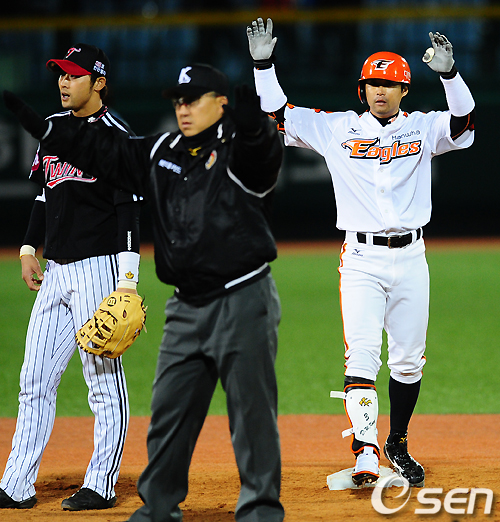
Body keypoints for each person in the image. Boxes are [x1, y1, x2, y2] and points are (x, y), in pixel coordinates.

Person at [3, 62, 285, 521]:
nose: (183, 108)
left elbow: (262, 162)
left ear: (221, 104)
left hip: (242, 296)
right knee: (169, 416)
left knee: (250, 417)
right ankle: (157, 509)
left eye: (193, 99)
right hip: (185, 306)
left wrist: (258, 131)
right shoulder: (161, 150)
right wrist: (49, 133)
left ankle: (259, 513)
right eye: (178, 100)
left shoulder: (238, 151)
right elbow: (104, 153)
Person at [247, 18, 475, 487]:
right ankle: (365, 449)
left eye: (389, 84)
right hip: (362, 260)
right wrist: (263, 66)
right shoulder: (337, 128)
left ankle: (397, 442)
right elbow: (277, 114)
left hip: (412, 257)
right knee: (363, 355)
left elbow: (464, 121)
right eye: (373, 82)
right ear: (362, 88)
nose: (380, 90)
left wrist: (451, 76)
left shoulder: (423, 127)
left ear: (404, 90)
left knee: (409, 360)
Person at [0, 44, 142, 510]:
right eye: (60, 73)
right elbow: (45, 196)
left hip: (100, 268)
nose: (63, 81)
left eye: (74, 75)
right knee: (34, 379)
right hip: (56, 271)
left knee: (102, 380)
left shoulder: (117, 135)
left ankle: (101, 484)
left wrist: (128, 281)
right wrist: (28, 249)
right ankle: (16, 485)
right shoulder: (53, 129)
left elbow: (129, 208)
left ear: (98, 83)